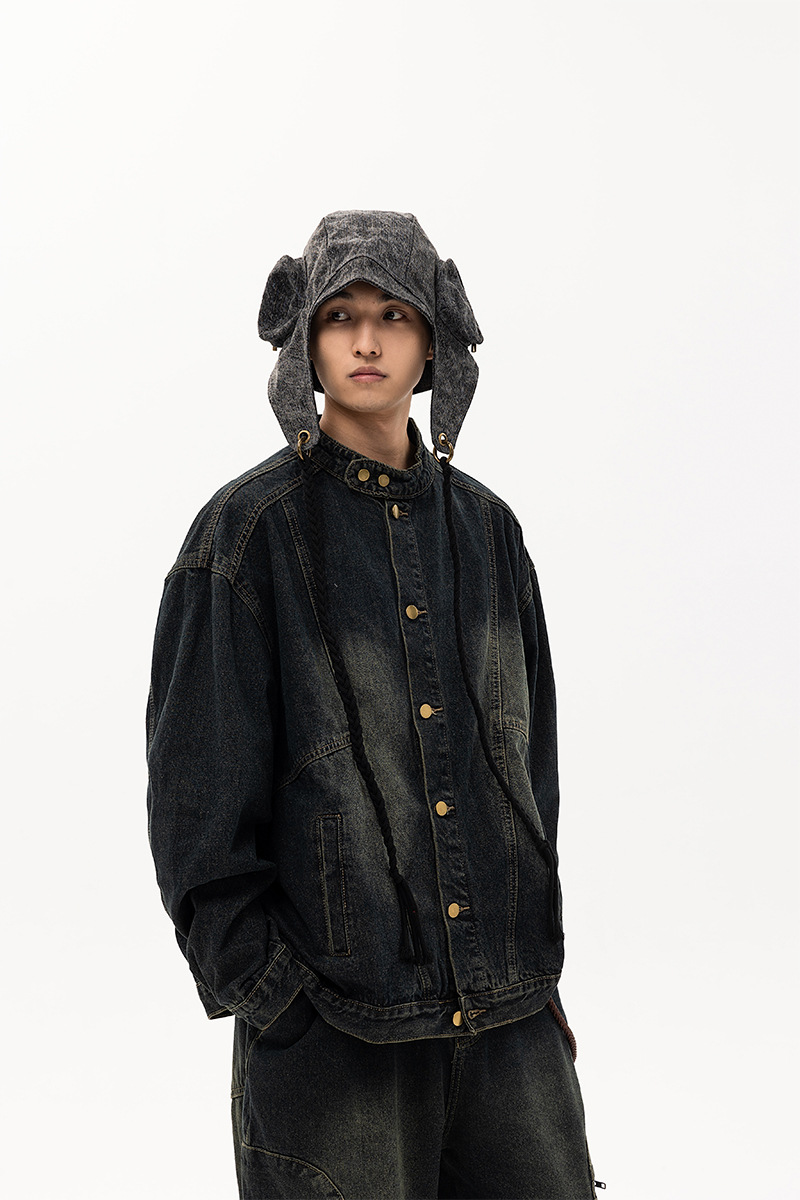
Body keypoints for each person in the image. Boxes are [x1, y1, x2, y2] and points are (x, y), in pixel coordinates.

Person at [146, 210, 600, 1199]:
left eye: (393, 314)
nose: (365, 340)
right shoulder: (243, 536)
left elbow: (533, 779)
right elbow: (196, 811)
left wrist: (534, 971)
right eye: (339, 315)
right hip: (335, 1039)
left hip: (511, 1027)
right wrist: (277, 1000)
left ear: (433, 340)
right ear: (304, 342)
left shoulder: (489, 533)